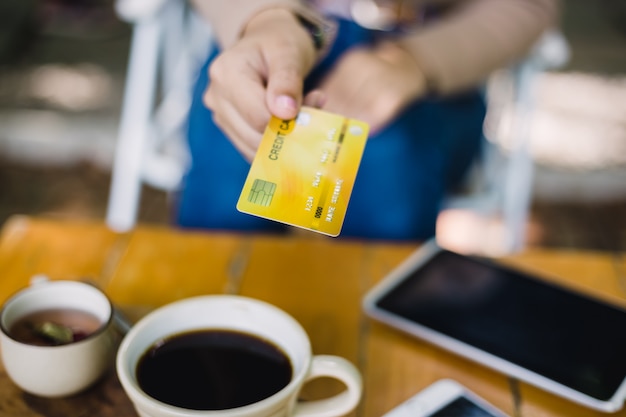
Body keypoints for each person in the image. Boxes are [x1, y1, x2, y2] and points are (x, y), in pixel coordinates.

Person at [175, 0, 559, 240]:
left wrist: (416, 61)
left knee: (389, 169)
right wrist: (265, 16)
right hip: (285, 23)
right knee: (228, 168)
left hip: (436, 47)